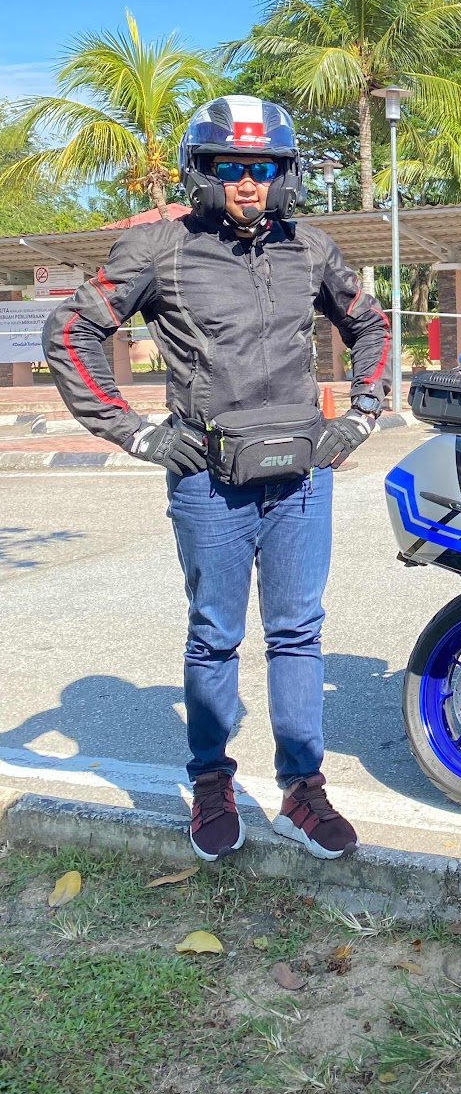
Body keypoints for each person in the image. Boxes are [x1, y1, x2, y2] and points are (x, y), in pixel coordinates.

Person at [42, 96, 390, 862]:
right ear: (201, 171)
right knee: (215, 636)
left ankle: (302, 790)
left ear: (284, 174)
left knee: (297, 634)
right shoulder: (159, 249)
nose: (247, 182)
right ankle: (210, 782)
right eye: (229, 166)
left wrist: (362, 417)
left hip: (301, 480)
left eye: (263, 167)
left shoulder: (311, 247)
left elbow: (371, 325)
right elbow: (70, 330)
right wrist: (137, 433)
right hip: (208, 482)